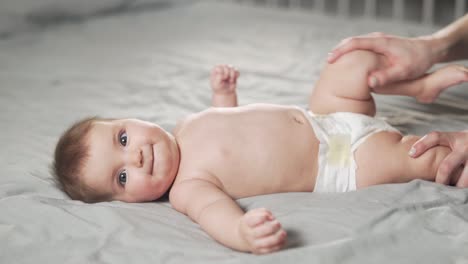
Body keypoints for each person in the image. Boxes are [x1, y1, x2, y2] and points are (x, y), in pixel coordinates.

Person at [53, 50, 467, 254]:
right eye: (122, 178)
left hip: (326, 116)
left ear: (130, 119)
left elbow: (229, 126)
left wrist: (223, 95)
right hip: (343, 160)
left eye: (122, 140)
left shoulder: (185, 125)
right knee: (426, 157)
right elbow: (215, 214)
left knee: (352, 62)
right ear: (126, 200)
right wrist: (241, 234)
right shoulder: (186, 188)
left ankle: (418, 87)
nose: (136, 158)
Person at [328, 14, 468, 187]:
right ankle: (420, 86)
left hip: (331, 135)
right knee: (430, 158)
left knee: (353, 60)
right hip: (332, 147)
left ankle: (420, 87)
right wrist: (433, 46)